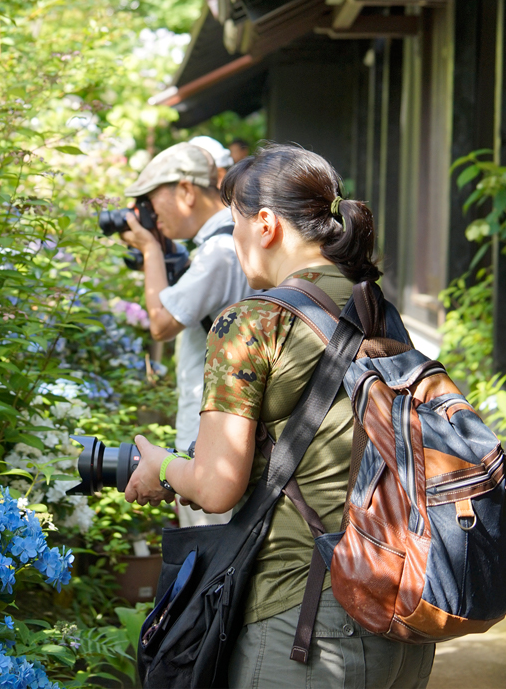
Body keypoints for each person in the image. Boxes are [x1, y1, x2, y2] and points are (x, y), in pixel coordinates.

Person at [124, 143, 436, 688]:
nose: (233, 236)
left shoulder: (250, 323)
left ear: (265, 224)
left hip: (306, 625)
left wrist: (162, 466)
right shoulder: (377, 308)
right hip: (399, 616)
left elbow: (216, 487)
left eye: (236, 222)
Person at [121, 142, 251, 527]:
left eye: (150, 200)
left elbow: (161, 323)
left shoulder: (220, 251)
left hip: (211, 432)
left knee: (208, 544)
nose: (148, 213)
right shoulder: (225, 242)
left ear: (186, 191)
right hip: (219, 425)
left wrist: (150, 250)